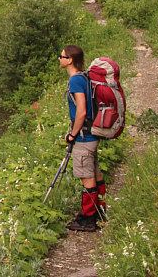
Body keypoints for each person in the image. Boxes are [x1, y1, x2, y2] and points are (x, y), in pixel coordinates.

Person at [60, 44, 106, 232]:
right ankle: (100, 211)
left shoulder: (76, 81)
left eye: (61, 56)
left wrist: (72, 135)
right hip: (92, 134)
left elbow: (82, 110)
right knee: (95, 173)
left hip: (84, 136)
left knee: (86, 177)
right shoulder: (85, 77)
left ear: (70, 60)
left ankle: (87, 219)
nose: (59, 59)